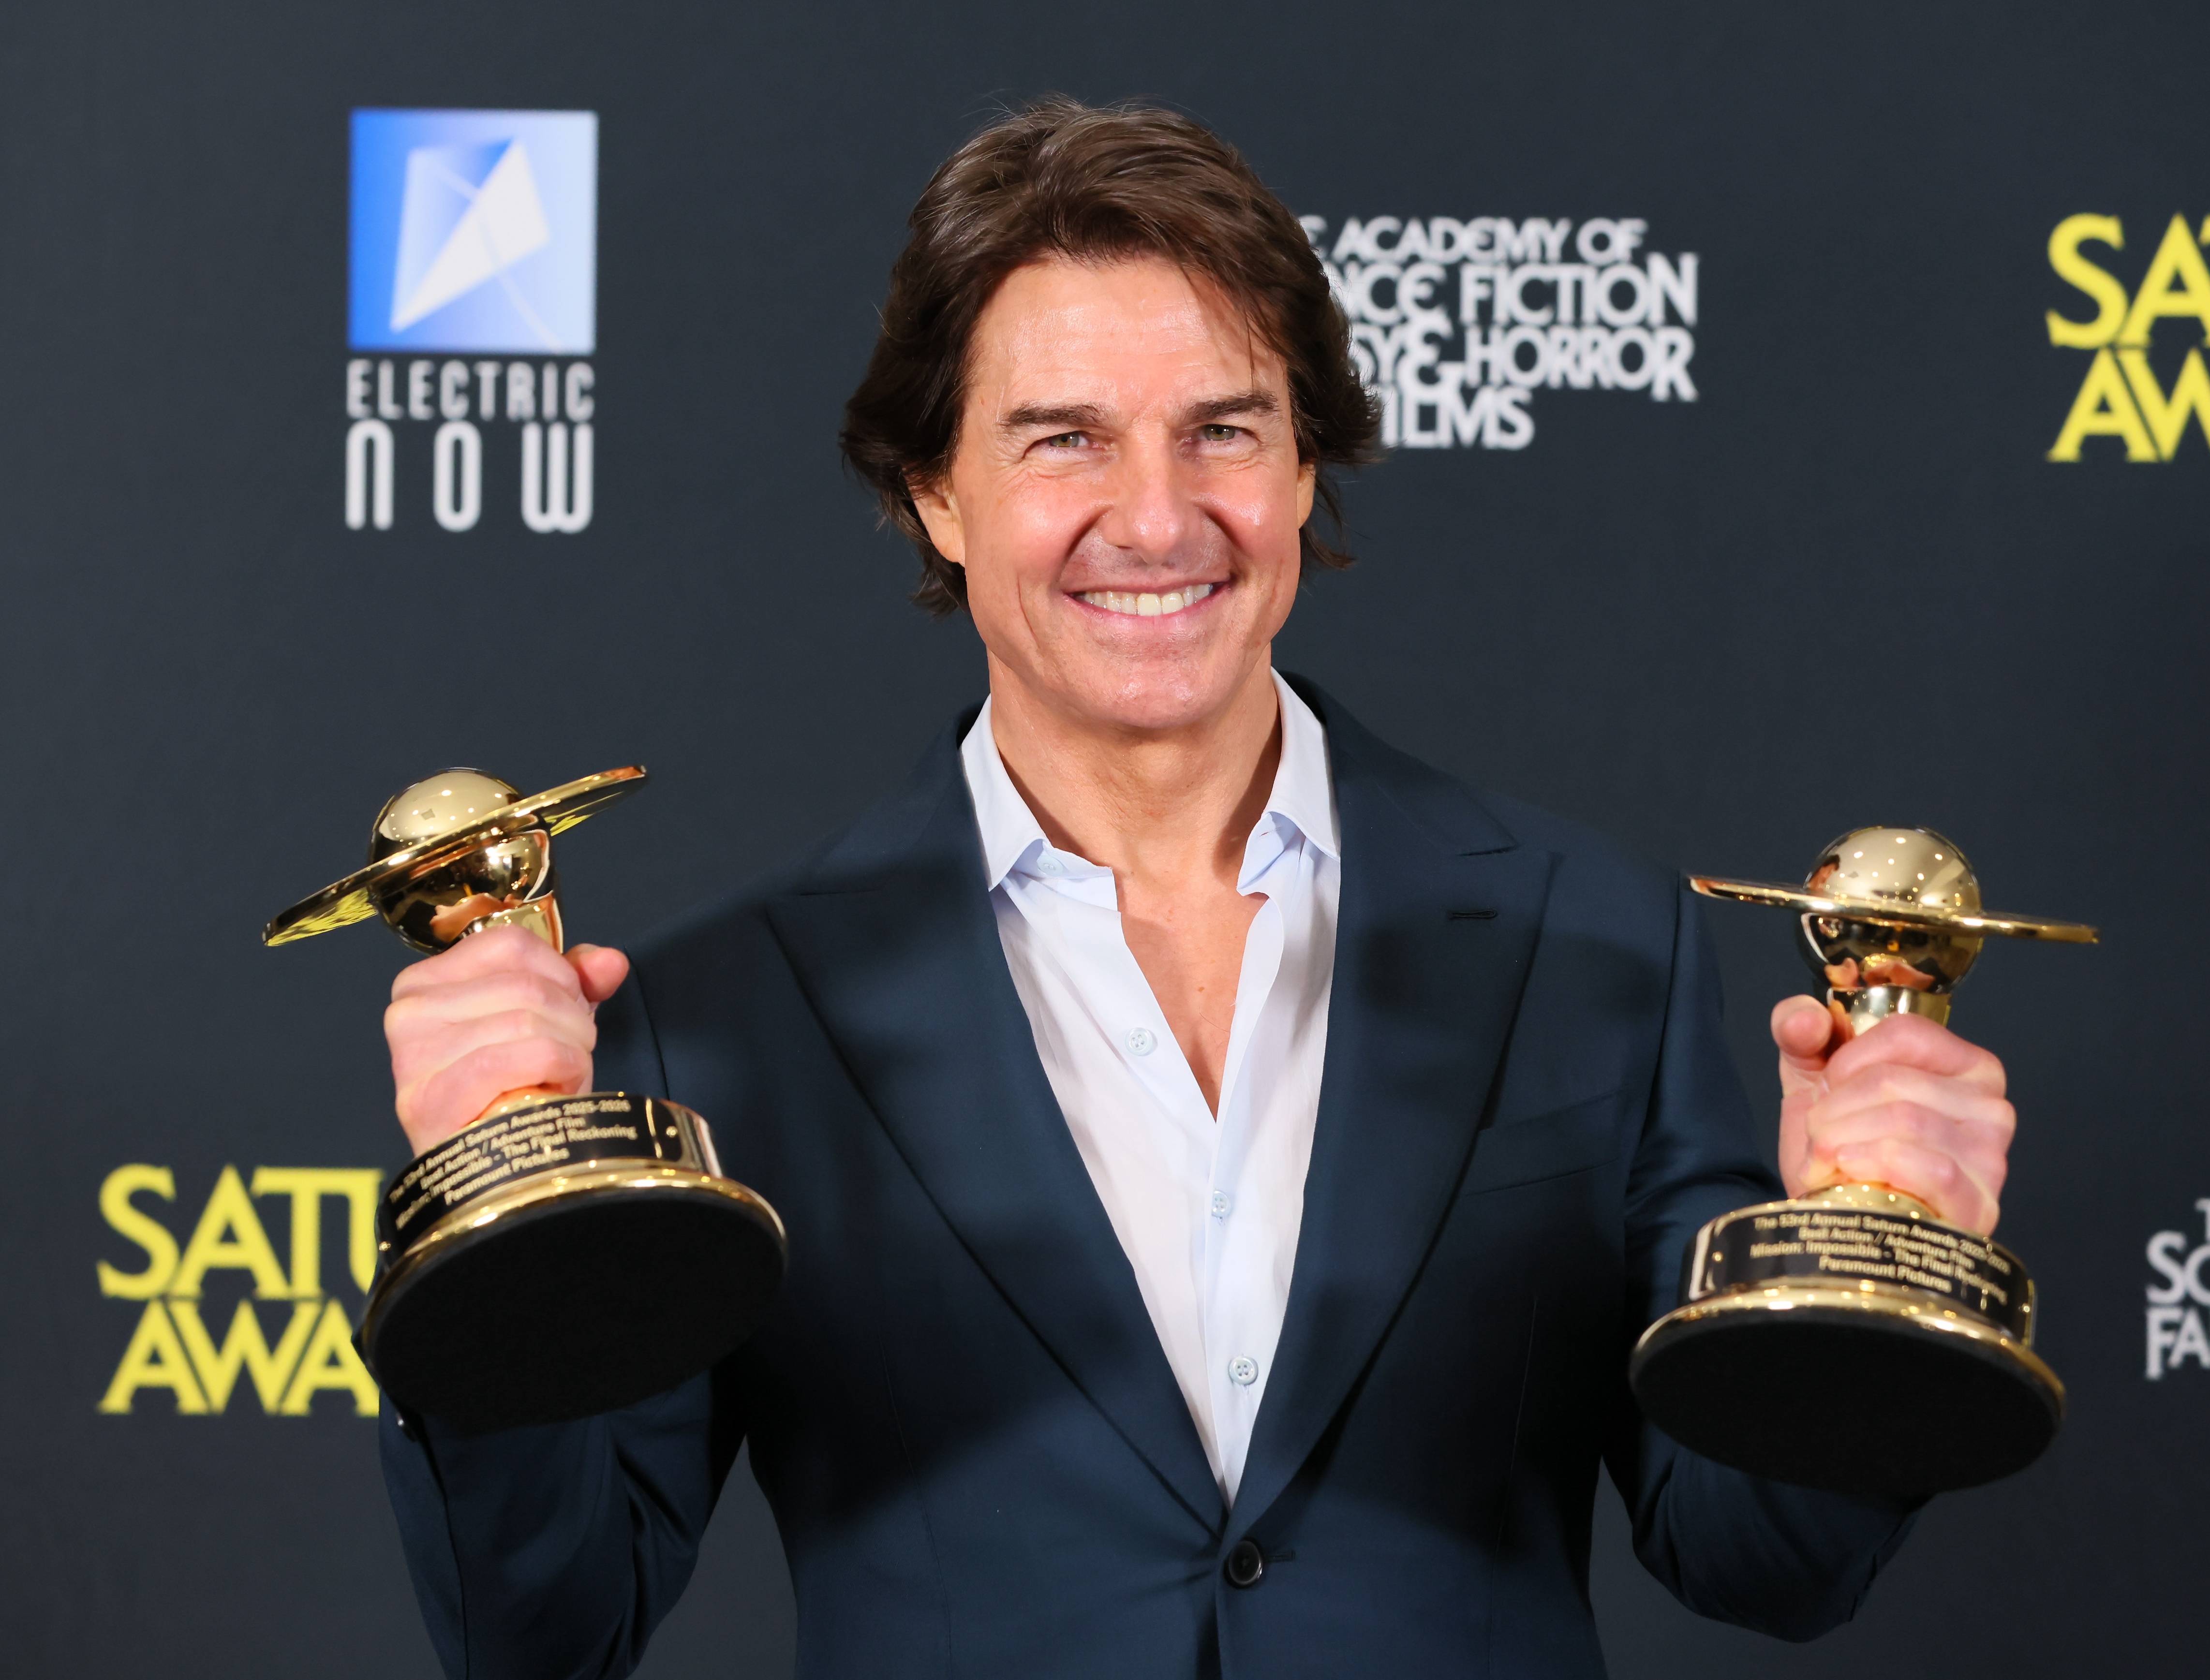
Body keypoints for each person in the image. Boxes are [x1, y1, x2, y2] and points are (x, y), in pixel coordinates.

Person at [377, 99, 2018, 1679]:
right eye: (1064, 440)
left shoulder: (1593, 938)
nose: (1157, 518)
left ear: (1306, 469)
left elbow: (1763, 1565)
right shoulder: (724, 1010)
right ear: (936, 494)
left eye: (1223, 429)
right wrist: (485, 1228)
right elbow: (548, 1627)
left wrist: (1859, 1273)